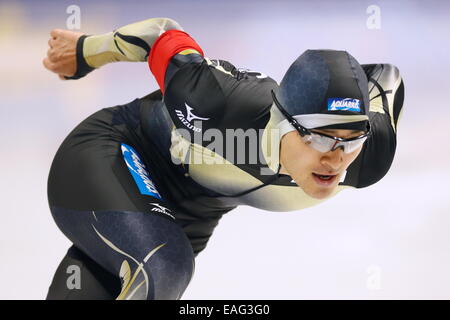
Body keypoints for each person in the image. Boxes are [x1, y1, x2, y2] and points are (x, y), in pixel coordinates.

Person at [43, 17, 405, 300]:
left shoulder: (368, 155)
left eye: (351, 140)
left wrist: (343, 88)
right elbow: (161, 34)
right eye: (320, 139)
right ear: (282, 122)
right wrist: (85, 51)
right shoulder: (218, 105)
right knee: (163, 265)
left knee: (138, 273)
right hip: (117, 151)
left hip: (190, 212)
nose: (336, 160)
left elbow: (388, 77)